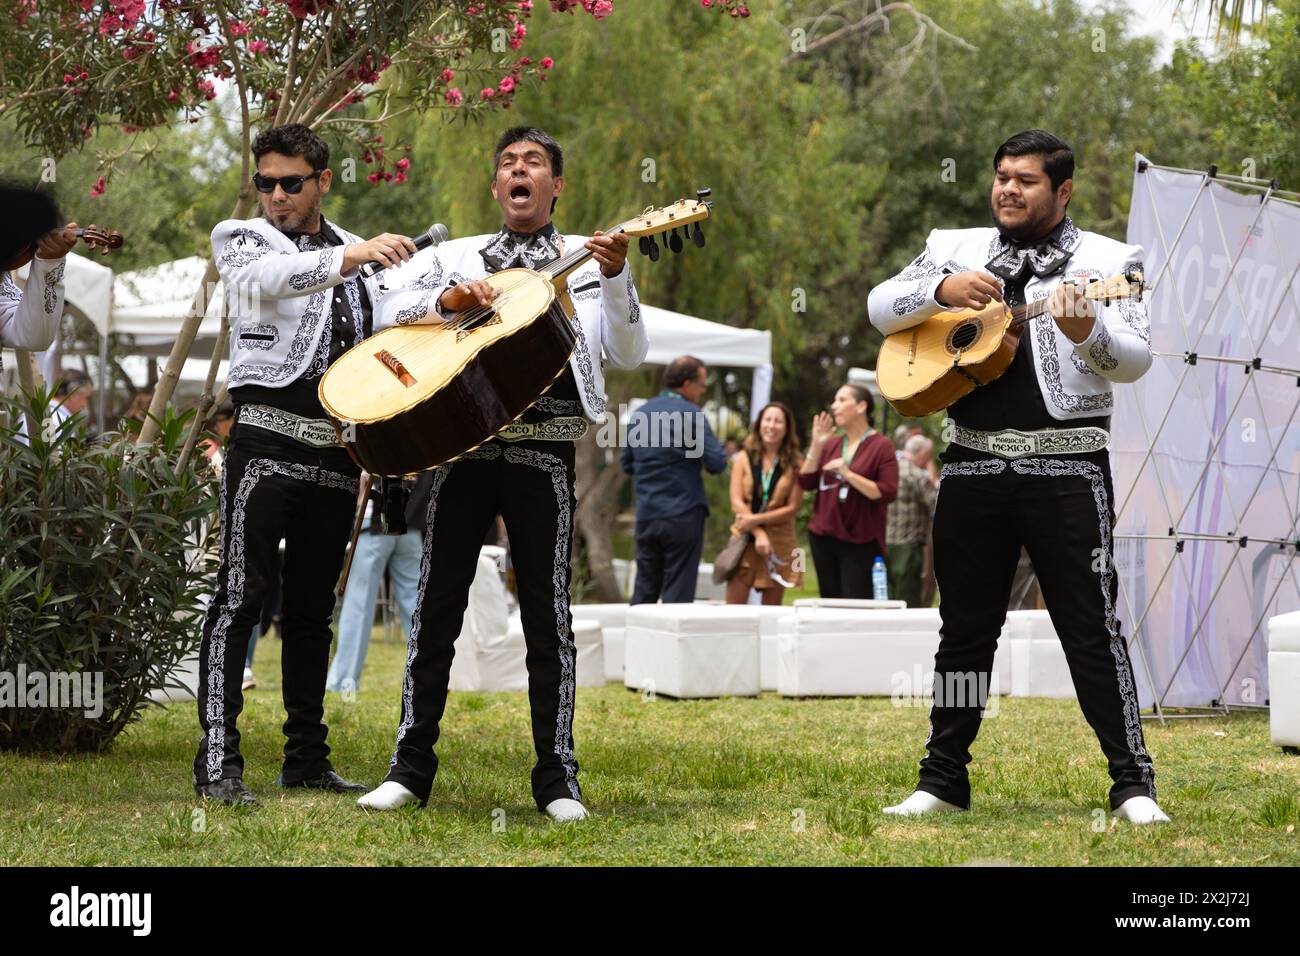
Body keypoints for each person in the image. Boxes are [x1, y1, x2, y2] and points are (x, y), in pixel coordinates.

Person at [868, 129, 1167, 824]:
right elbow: (882, 305)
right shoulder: (955, 245)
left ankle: (1133, 785)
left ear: (1062, 191)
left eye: (1026, 180)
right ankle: (942, 780)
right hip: (971, 460)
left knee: (1089, 626)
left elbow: (1136, 358)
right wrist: (939, 287)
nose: (1008, 188)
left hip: (1068, 468)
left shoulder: (1113, 261)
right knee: (964, 629)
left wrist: (1087, 329)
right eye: (1002, 176)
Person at [358, 126, 648, 821]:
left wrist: (616, 275)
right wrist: (449, 303)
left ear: (556, 186)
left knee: (548, 614)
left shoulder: (586, 258)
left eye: (536, 163)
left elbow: (632, 351)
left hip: (544, 450)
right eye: (509, 164)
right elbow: (384, 309)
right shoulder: (458, 255)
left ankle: (557, 779)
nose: (521, 171)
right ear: (497, 187)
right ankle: (409, 770)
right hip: (460, 448)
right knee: (435, 609)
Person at [193, 123, 417, 807]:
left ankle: (305, 759)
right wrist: (354, 259)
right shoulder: (243, 240)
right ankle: (215, 763)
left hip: (338, 453)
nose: (277, 196)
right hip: (262, 442)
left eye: (292, 183)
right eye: (266, 183)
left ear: (323, 181)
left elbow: (396, 322)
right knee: (240, 598)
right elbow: (265, 279)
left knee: (314, 611)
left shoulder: (358, 250)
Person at [621, 356, 727, 604]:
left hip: (647, 514)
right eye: (702, 385)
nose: (703, 391)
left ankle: (636, 642)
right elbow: (717, 463)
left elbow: (627, 464)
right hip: (684, 512)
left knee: (645, 588)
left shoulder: (640, 414)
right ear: (687, 384)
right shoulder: (692, 414)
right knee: (677, 592)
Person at [325, 472, 434, 694]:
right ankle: (427, 677)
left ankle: (344, 680)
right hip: (410, 522)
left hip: (377, 521)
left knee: (359, 604)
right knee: (414, 605)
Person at [796, 384, 897, 598]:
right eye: (834, 401)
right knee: (829, 601)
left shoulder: (882, 446)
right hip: (823, 536)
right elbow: (806, 481)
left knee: (856, 604)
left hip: (861, 540)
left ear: (861, 406)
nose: (834, 407)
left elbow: (888, 492)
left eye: (842, 400)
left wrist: (848, 474)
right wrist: (816, 444)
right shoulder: (832, 444)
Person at [725, 402, 804, 605]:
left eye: (778, 421)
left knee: (772, 616)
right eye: (768, 419)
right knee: (734, 613)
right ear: (759, 424)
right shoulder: (743, 457)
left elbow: (792, 508)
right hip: (745, 539)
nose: (772, 425)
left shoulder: (796, 462)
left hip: (779, 542)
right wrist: (758, 532)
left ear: (787, 428)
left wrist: (755, 519)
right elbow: (736, 501)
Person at [886, 434, 937, 607]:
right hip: (909, 544)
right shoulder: (916, 474)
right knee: (908, 597)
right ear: (922, 454)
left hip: (887, 541)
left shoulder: (889, 466)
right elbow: (934, 504)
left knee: (889, 595)